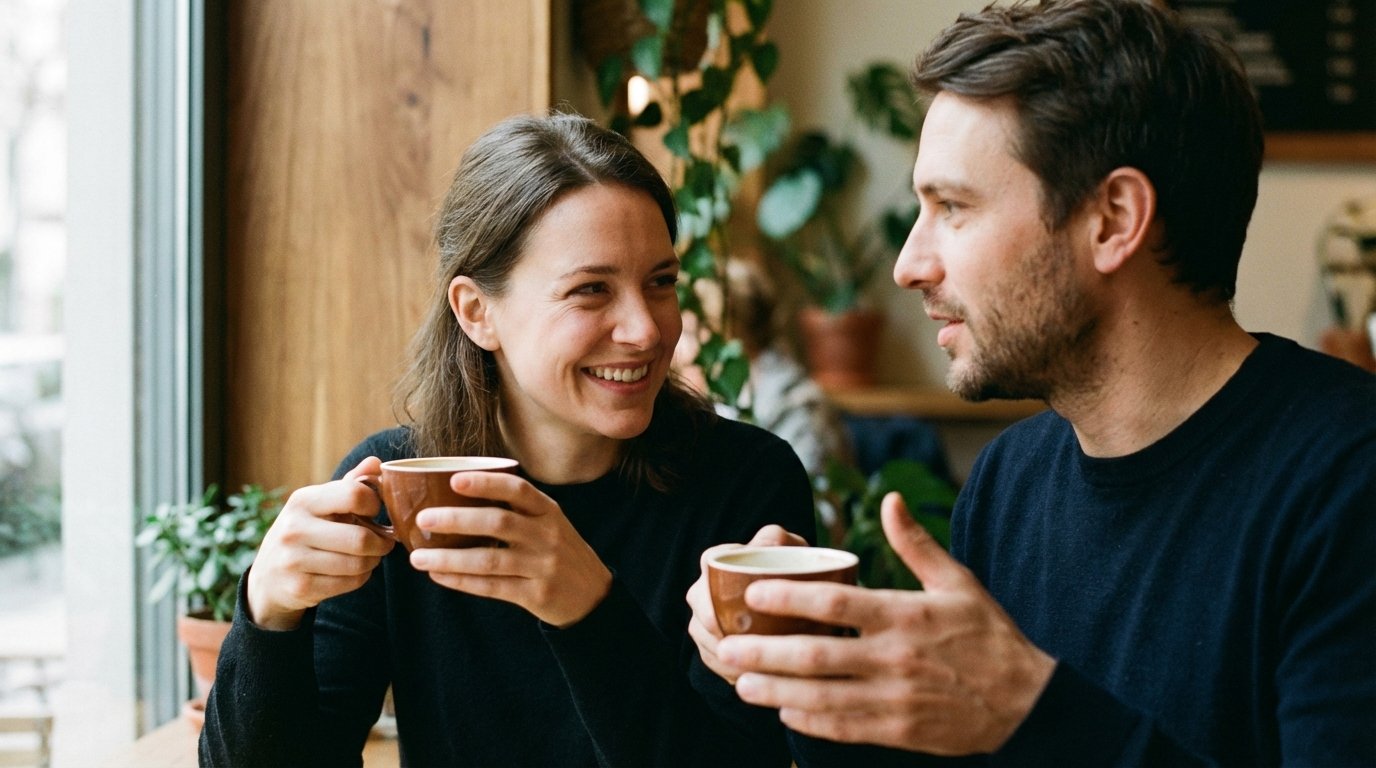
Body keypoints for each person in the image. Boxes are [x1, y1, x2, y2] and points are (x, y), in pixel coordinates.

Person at [686, 0, 1376, 764]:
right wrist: (815, 676)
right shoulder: (1011, 481)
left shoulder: (1349, 484)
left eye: (952, 207)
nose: (908, 264)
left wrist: (1030, 709)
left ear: (1114, 219)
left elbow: (1031, 731)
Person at [200, 112, 817, 766]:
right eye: (590, 291)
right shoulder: (398, 489)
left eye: (660, 282)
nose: (645, 329)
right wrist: (267, 612)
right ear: (476, 312)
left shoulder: (748, 482)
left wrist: (587, 608)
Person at [673, 257, 853, 476]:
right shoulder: (718, 404)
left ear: (726, 334)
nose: (679, 350)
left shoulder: (797, 406)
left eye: (690, 333)